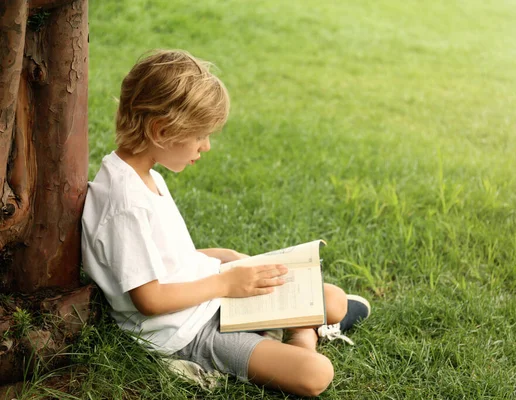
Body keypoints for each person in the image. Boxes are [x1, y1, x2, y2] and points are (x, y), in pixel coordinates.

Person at [81, 49, 371, 397]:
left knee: (334, 300)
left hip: (209, 294)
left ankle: (285, 332)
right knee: (315, 374)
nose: (205, 147)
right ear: (161, 131)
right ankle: (300, 335)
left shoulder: (142, 176)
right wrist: (226, 284)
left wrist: (221, 257)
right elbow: (151, 299)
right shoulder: (124, 202)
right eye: (200, 135)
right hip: (188, 330)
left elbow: (156, 261)